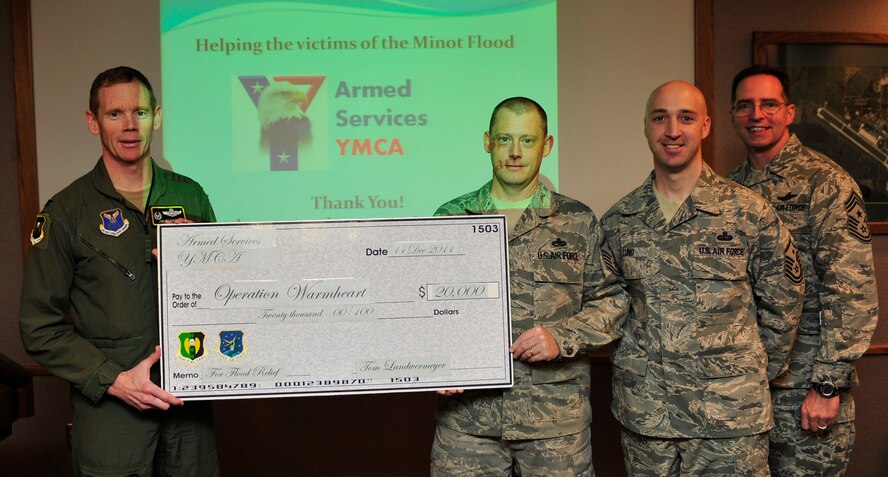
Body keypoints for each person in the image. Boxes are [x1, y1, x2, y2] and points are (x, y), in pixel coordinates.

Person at [19, 66, 220, 476]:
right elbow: (39, 327)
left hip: (189, 412)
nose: (130, 125)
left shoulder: (191, 197)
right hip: (111, 420)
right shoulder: (66, 212)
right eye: (115, 114)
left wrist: (202, 256)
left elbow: (224, 296)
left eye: (140, 112)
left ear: (156, 118)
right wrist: (113, 380)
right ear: (93, 122)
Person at [600, 81, 804, 476]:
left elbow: (784, 304)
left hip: (730, 424)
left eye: (686, 118)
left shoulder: (749, 212)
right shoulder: (619, 220)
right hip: (649, 421)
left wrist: (741, 375)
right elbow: (608, 308)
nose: (673, 131)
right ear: (645, 127)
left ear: (706, 126)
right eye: (660, 118)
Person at [430, 97, 628, 476]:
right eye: (505, 139)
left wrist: (561, 337)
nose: (515, 152)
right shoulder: (451, 217)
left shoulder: (577, 220)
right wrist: (435, 361)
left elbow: (612, 303)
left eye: (527, 140)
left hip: (554, 424)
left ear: (546, 145)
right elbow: (422, 307)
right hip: (468, 423)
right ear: (487, 142)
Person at [727, 65, 879, 476]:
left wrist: (828, 385)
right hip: (743, 393)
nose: (757, 115)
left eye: (769, 104)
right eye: (745, 105)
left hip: (804, 393)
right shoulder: (728, 190)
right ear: (732, 115)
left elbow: (851, 291)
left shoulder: (825, 183)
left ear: (789, 112)